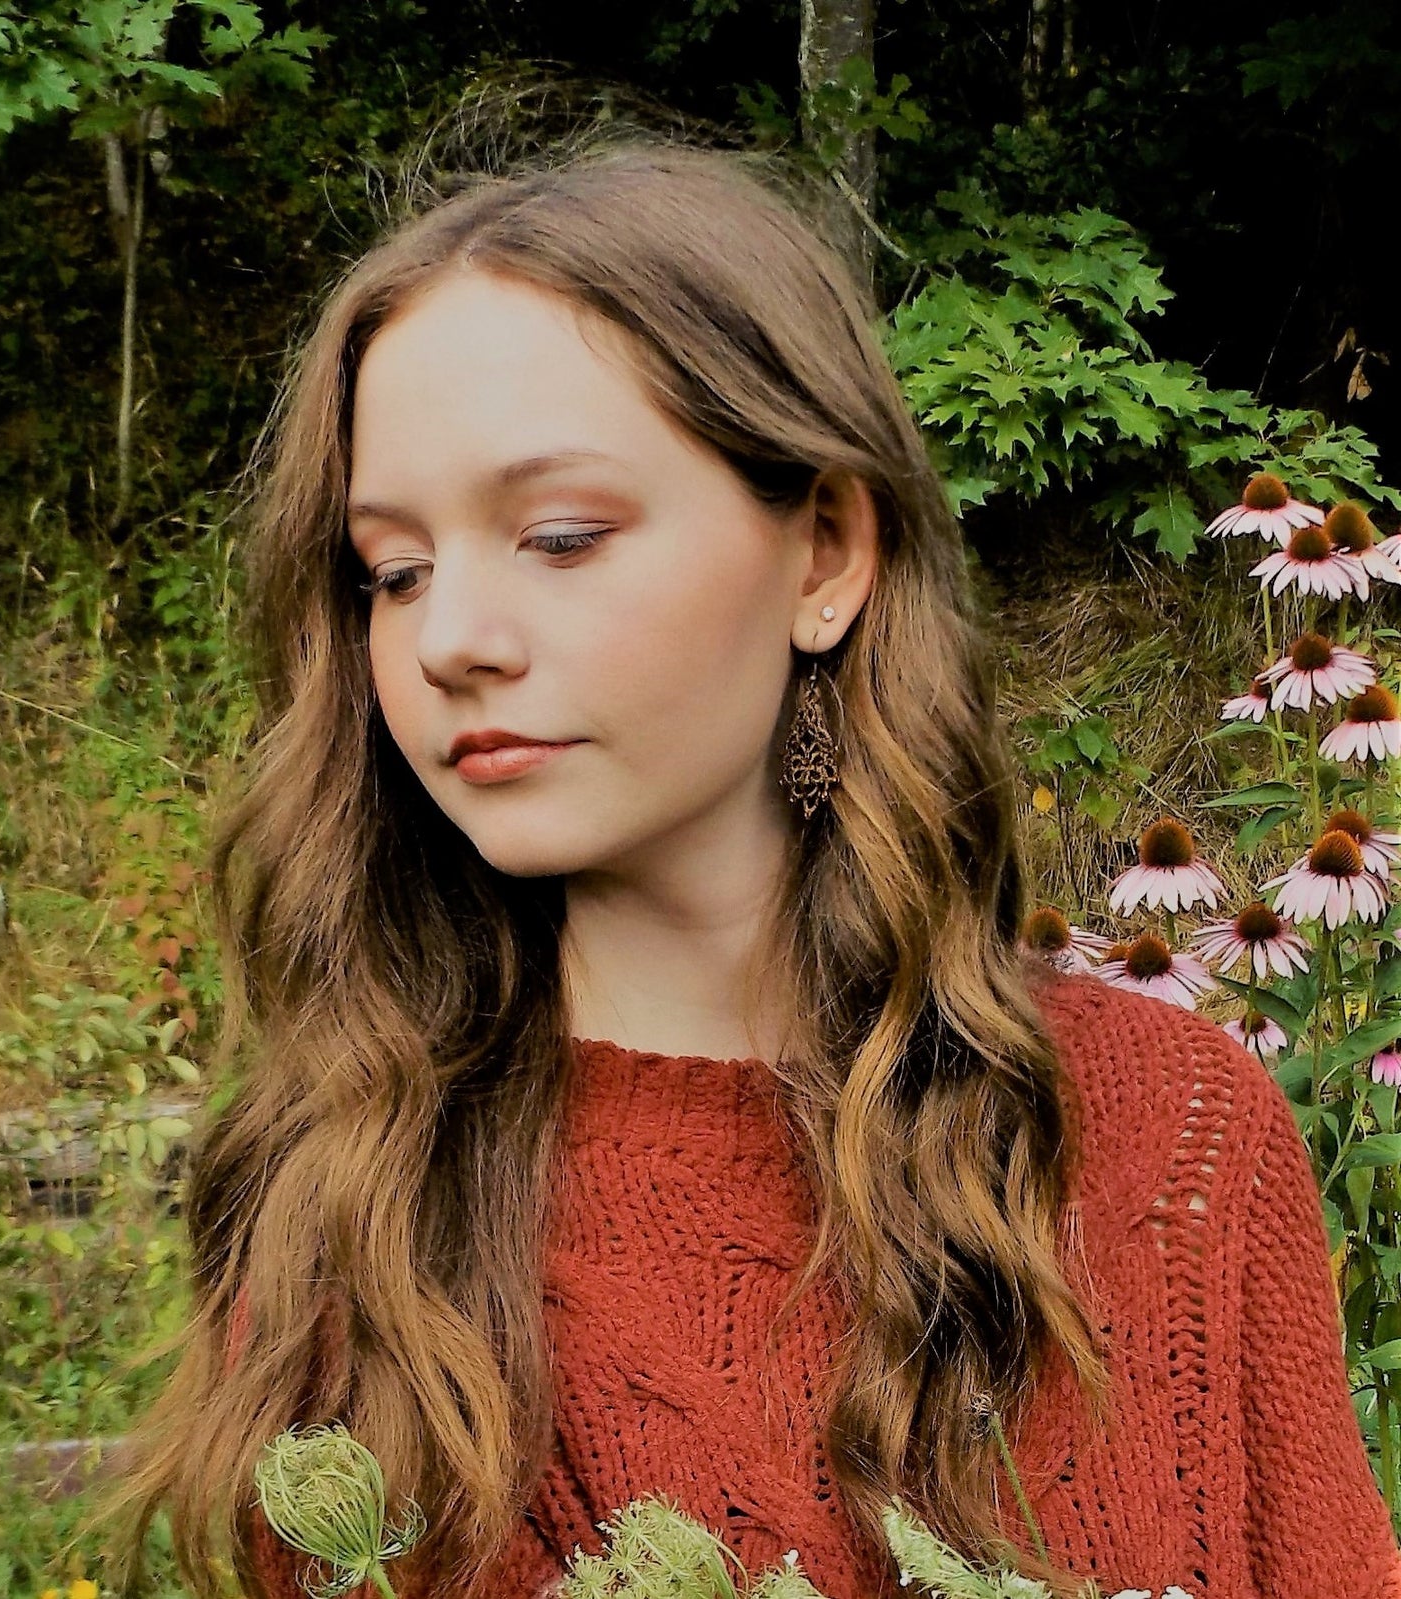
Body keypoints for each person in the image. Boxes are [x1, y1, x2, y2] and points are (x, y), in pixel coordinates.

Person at [111, 139, 1401, 1599]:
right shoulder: (351, 1222)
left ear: (825, 553)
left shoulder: (1178, 1135)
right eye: (391, 572)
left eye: (559, 537)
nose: (448, 638)